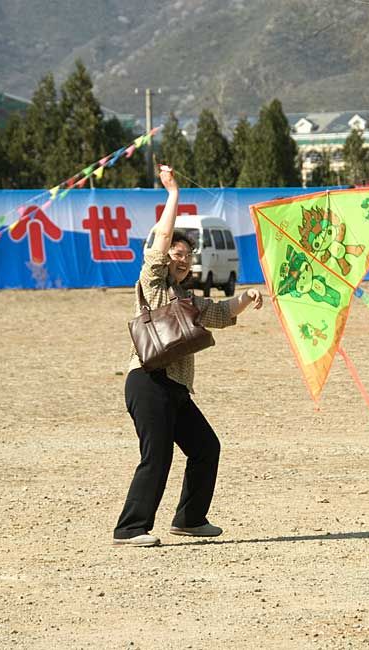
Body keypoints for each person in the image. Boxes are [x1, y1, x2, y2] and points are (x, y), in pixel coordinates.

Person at [113, 165, 264, 547]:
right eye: (178, 253)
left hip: (176, 388)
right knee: (157, 456)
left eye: (188, 255)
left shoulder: (188, 299)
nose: (183, 260)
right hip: (148, 381)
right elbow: (161, 239)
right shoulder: (153, 283)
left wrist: (245, 299)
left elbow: (219, 314)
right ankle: (130, 529)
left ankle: (190, 519)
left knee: (205, 448)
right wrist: (173, 194)